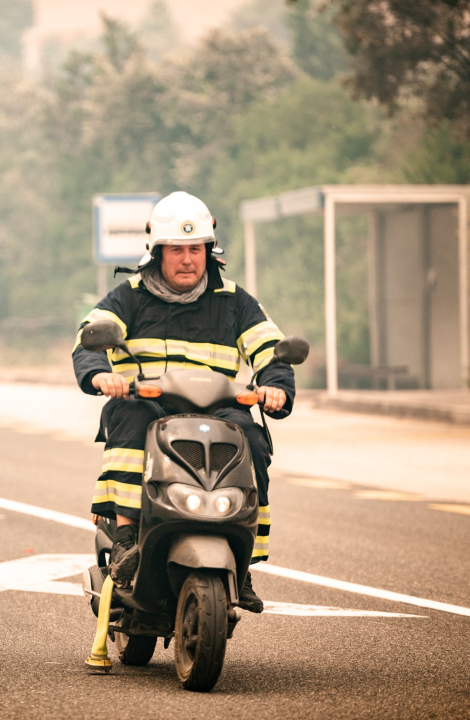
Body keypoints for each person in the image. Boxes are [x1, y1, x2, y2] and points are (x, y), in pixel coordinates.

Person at [72, 191, 295, 613]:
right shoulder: (129, 296)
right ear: (158, 251)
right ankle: (125, 539)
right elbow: (89, 335)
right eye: (176, 249)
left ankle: (244, 559)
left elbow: (270, 348)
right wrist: (101, 374)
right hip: (150, 403)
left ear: (210, 250)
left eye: (196, 249)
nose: (187, 260)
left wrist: (275, 385)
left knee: (253, 437)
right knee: (129, 416)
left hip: (218, 409)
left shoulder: (235, 301)